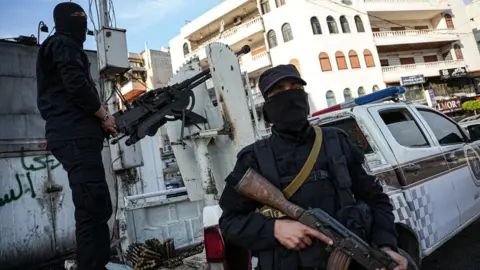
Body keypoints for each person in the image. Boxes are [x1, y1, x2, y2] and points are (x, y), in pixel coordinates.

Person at [218, 64, 408, 270]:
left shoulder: (337, 142)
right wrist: (274, 228)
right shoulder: (253, 158)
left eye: (296, 88)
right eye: (279, 91)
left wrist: (386, 245)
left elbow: (376, 199)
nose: (289, 95)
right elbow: (229, 223)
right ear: (268, 108)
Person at [36, 2, 117, 270]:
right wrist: (104, 116)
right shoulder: (64, 44)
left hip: (73, 135)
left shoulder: (56, 46)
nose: (84, 30)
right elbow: (77, 85)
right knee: (93, 208)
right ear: (75, 24)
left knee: (93, 207)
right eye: (81, 23)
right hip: (75, 137)